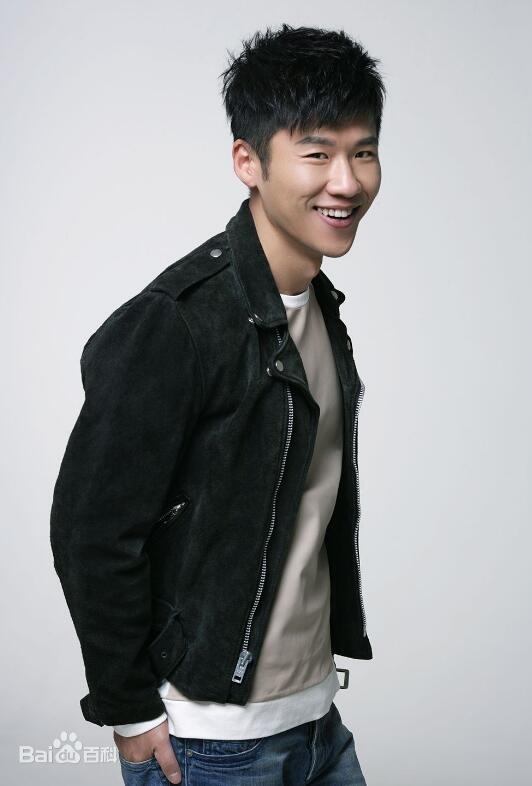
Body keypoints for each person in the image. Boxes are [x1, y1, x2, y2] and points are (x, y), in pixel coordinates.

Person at [50, 22, 385, 785]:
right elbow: (90, 530)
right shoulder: (177, 322)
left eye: (363, 152)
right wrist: (129, 711)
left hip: (317, 721)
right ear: (248, 162)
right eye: (316, 153)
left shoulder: (320, 310)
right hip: (210, 744)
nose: (346, 181)